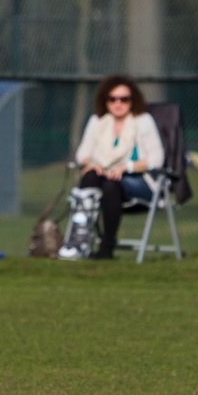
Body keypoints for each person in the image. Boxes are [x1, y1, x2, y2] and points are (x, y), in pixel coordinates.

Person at [70, 75, 164, 260]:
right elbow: (82, 155)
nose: (118, 103)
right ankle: (79, 240)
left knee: (111, 185)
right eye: (112, 99)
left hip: (138, 182)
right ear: (105, 101)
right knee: (90, 176)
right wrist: (92, 165)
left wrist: (127, 167)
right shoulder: (97, 122)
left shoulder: (142, 121)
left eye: (124, 99)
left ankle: (107, 246)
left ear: (132, 101)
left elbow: (156, 160)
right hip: (104, 179)